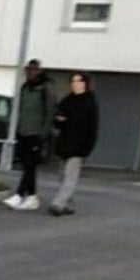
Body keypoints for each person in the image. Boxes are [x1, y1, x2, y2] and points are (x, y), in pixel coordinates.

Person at [4, 59, 56, 211]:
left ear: (40, 71)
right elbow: (19, 109)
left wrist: (44, 133)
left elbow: (49, 112)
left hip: (37, 133)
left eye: (34, 70)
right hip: (24, 131)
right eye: (28, 70)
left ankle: (21, 194)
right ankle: (31, 195)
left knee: (30, 165)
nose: (30, 72)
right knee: (27, 165)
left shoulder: (45, 88)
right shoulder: (25, 87)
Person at [48, 71, 98, 216]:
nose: (74, 84)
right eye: (73, 81)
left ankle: (58, 203)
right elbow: (57, 119)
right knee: (62, 176)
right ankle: (68, 204)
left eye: (78, 81)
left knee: (70, 177)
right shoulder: (67, 100)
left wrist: (87, 147)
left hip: (79, 146)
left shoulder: (90, 103)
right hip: (64, 143)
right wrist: (58, 120)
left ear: (84, 83)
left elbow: (93, 126)